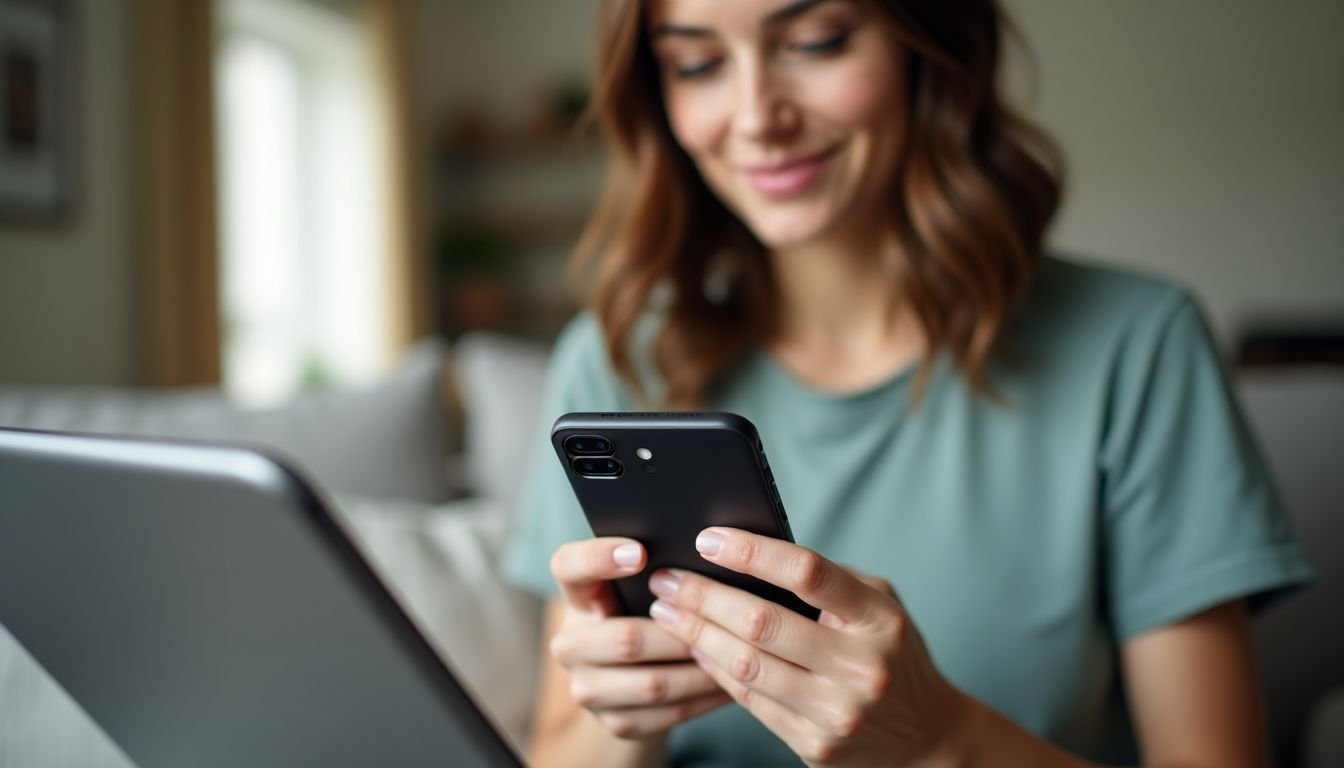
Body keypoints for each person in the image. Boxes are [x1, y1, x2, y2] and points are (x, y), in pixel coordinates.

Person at [502, 1, 1312, 765]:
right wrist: (622, 724)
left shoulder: (1136, 346)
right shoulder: (612, 360)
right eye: (697, 63)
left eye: (816, 41)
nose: (756, 117)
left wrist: (940, 738)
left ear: (928, 44)